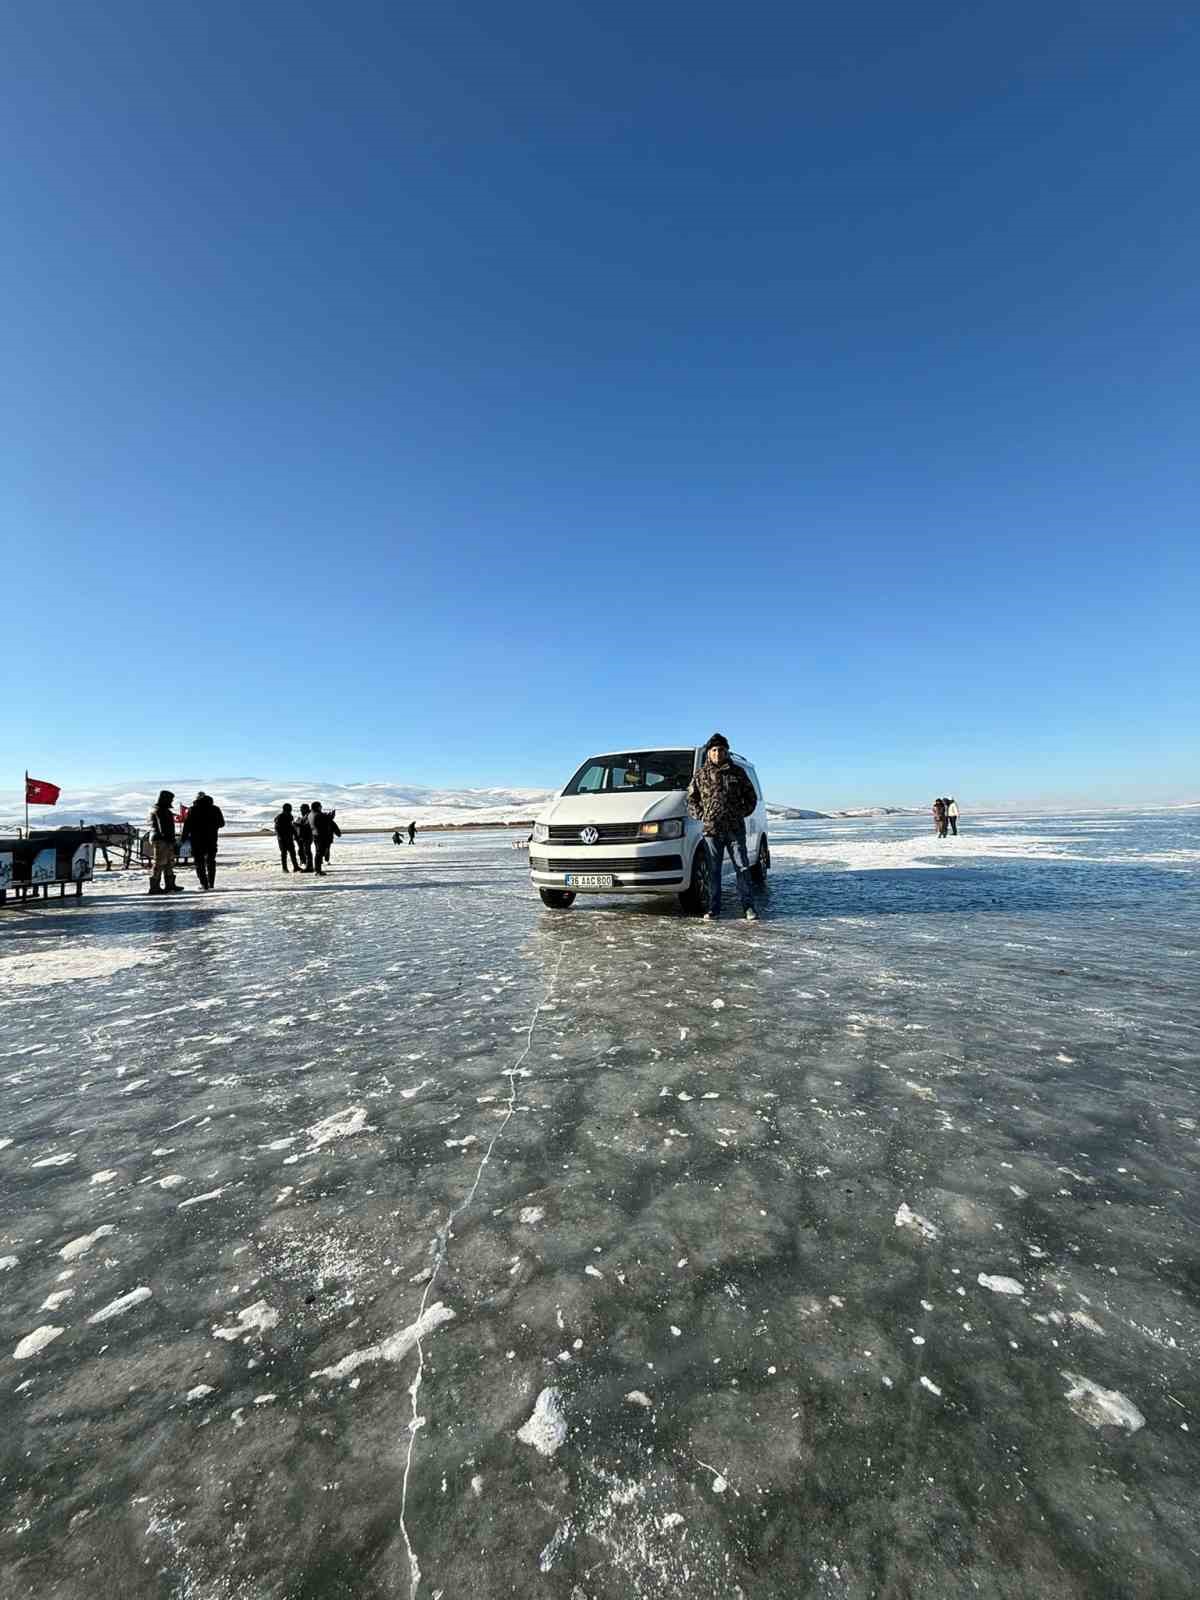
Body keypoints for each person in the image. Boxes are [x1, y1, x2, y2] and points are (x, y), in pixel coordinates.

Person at [686, 733, 759, 922]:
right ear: (709, 753)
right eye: (714, 750)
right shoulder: (700, 775)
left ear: (727, 752)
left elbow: (751, 797)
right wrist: (702, 815)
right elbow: (691, 799)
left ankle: (748, 907)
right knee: (714, 871)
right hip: (712, 831)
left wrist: (740, 812)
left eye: (721, 750)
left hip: (735, 829)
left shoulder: (737, 773)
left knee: (742, 868)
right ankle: (714, 909)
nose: (718, 753)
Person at [181, 791, 226, 889]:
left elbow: (187, 826)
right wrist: (212, 826)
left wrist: (183, 839)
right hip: (211, 839)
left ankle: (204, 884)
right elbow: (222, 823)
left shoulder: (192, 809)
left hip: (196, 840)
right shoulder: (215, 809)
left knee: (199, 863)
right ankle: (211, 884)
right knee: (211, 862)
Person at [148, 789, 183, 894]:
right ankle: (155, 887)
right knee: (159, 863)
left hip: (166, 839)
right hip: (161, 839)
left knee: (168, 862)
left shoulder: (163, 810)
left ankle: (170, 885)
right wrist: (172, 840)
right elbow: (163, 827)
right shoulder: (159, 810)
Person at [310, 802, 341, 875]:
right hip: (321, 836)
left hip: (315, 835)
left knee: (319, 853)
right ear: (317, 807)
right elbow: (326, 820)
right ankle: (318, 870)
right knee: (319, 853)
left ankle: (318, 869)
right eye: (320, 806)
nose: (321, 807)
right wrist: (331, 816)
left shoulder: (310, 814)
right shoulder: (318, 815)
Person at [274, 803, 301, 873]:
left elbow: (291, 827)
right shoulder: (280, 817)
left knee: (293, 853)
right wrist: (280, 837)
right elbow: (277, 828)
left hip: (289, 838)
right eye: (289, 808)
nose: (291, 809)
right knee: (284, 853)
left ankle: (296, 867)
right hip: (282, 839)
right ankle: (284, 868)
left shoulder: (289, 816)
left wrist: (295, 835)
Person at [296, 804, 314, 871]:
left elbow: (307, 826)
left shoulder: (308, 816)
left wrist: (297, 824)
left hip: (307, 836)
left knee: (307, 852)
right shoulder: (306, 815)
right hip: (305, 836)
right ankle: (308, 866)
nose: (301, 811)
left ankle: (309, 867)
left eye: (302, 809)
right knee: (306, 851)